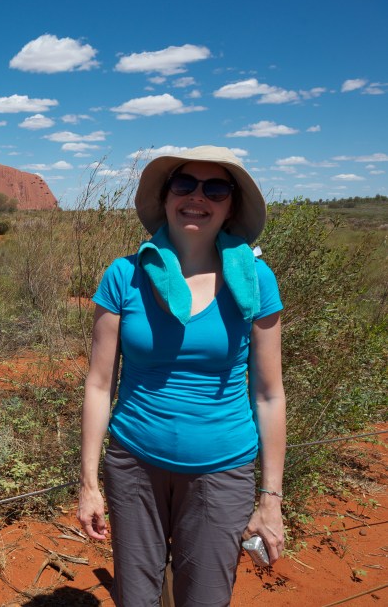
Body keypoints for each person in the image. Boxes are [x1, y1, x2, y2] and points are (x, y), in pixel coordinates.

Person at [77, 146, 286, 606]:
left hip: (221, 469)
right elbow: (98, 384)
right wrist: (89, 484)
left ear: (231, 204)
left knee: (206, 599)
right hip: (133, 465)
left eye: (216, 188)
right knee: (135, 598)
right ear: (167, 195)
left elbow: (269, 395)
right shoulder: (124, 276)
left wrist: (270, 499)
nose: (198, 197)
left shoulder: (255, 279)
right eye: (184, 184)